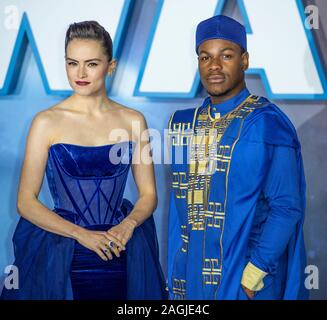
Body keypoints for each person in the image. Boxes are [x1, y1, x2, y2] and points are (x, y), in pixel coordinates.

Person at [1, 21, 166, 300]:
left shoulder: (134, 121)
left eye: (91, 64)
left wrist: (128, 225)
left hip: (121, 249)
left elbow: (149, 195)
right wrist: (81, 234)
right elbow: (25, 202)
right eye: (72, 63)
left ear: (110, 66)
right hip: (62, 252)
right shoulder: (46, 122)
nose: (80, 73)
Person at [167, 15, 308, 300]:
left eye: (226, 56)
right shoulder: (184, 123)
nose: (214, 66)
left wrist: (252, 275)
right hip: (191, 279)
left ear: (244, 60)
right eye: (205, 57)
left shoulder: (268, 123)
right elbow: (179, 214)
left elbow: (287, 207)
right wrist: (175, 269)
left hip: (248, 280)